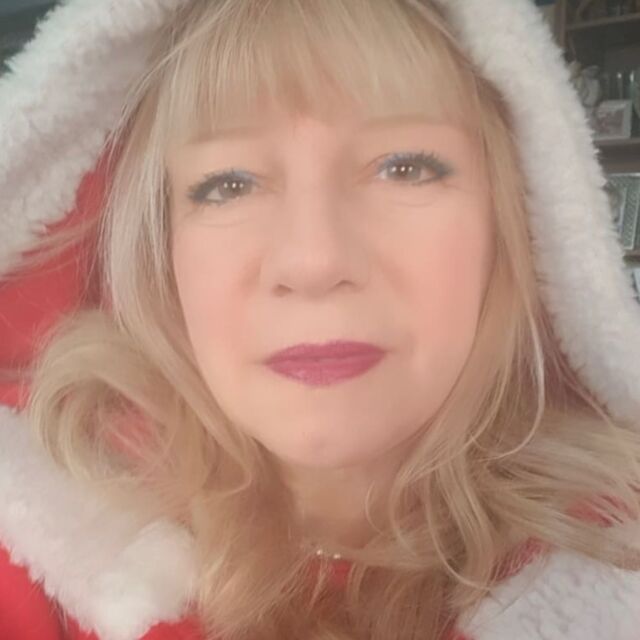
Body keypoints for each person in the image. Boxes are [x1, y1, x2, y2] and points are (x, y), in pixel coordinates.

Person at [1, 0, 640, 638]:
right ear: (162, 251)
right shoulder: (32, 531)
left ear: (514, 221)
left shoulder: (616, 557)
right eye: (229, 184)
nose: (314, 261)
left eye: (404, 168)